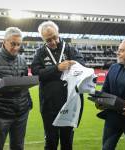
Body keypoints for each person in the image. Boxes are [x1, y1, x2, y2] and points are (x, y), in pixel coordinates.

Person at [31, 21, 85, 150]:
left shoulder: (70, 49)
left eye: (54, 37)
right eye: (48, 40)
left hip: (69, 103)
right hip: (49, 105)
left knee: (67, 142)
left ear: (58, 33)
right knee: (50, 142)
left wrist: (74, 65)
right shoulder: (40, 53)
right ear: (42, 39)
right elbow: (36, 73)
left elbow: (82, 66)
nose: (53, 42)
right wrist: (57, 68)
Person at [98, 39, 125, 150]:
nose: (118, 53)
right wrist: (100, 101)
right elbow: (105, 91)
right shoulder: (113, 68)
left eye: (121, 50)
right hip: (112, 120)